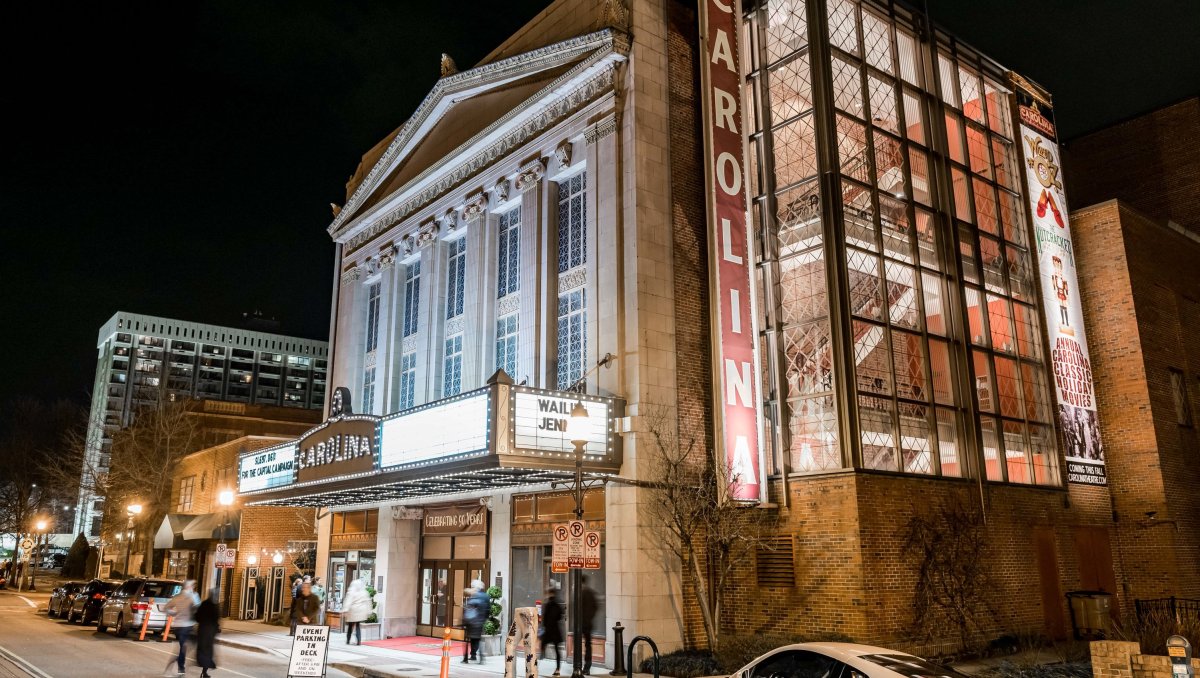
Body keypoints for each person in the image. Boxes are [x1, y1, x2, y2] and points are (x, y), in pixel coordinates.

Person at [163, 580, 198, 677]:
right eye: (192, 586)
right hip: (187, 626)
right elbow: (198, 609)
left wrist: (174, 613)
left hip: (177, 626)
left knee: (182, 648)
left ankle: (176, 667)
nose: (193, 588)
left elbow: (166, 608)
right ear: (189, 587)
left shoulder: (177, 597)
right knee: (183, 648)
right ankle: (180, 669)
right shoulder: (192, 597)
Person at [195, 588, 220, 678]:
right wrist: (217, 628)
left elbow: (197, 617)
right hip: (210, 631)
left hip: (202, 630)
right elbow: (216, 619)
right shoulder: (215, 606)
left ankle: (203, 669)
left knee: (202, 649)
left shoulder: (204, 604)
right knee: (208, 651)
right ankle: (204, 671)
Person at [539, 586, 565, 677]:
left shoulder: (547, 604)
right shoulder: (557, 604)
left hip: (549, 631)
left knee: (542, 646)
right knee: (557, 651)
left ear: (550, 594)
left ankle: (538, 660)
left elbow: (545, 619)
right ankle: (558, 669)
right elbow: (560, 616)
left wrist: (544, 628)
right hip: (556, 630)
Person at [341, 579, 372, 646]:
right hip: (361, 611)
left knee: (350, 626)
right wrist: (369, 611)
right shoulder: (364, 592)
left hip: (353, 611)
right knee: (358, 626)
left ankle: (348, 640)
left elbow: (348, 601)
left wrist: (345, 609)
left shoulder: (352, 591)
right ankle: (359, 641)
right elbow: (368, 601)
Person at [580, 576, 598, 674]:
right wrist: (590, 617)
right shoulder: (590, 592)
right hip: (587, 623)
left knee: (582, 645)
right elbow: (595, 606)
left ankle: (582, 667)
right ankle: (587, 667)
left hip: (582, 623)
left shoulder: (581, 593)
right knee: (588, 645)